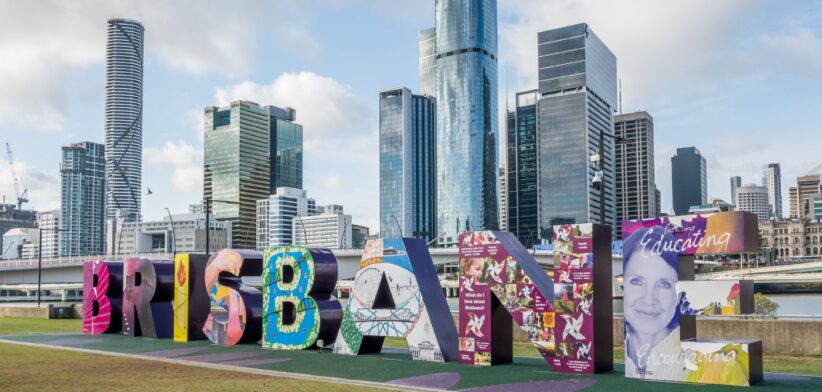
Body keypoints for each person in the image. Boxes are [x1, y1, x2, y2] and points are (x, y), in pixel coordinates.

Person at [622, 225, 687, 381]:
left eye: (664, 284)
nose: (649, 300)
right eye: (636, 281)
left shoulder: (700, 362)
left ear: (679, 294)